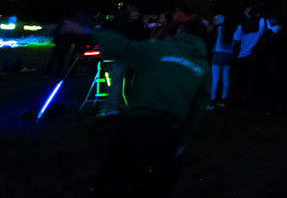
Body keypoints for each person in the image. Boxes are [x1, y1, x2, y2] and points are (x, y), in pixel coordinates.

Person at [62, 16, 211, 198]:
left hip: (138, 126)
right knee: (156, 186)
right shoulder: (203, 67)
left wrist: (87, 31)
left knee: (115, 182)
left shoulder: (158, 49)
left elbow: (123, 46)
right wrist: (182, 141)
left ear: (181, 32)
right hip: (170, 132)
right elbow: (199, 107)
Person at [233, 6, 265, 105]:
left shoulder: (241, 25)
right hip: (255, 54)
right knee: (253, 78)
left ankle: (238, 99)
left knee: (240, 78)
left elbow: (237, 40)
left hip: (242, 54)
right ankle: (250, 99)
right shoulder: (262, 22)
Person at [209, 14, 237, 108]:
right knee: (225, 78)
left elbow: (212, 41)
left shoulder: (218, 29)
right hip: (229, 54)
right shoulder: (232, 29)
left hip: (218, 53)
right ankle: (223, 100)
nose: (214, 21)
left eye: (215, 19)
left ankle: (212, 101)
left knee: (215, 78)